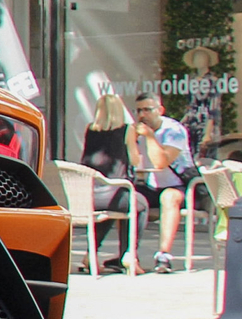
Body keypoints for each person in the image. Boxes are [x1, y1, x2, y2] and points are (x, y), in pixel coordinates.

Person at [129, 93, 191, 272]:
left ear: (160, 110)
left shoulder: (174, 130)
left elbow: (161, 162)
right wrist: (131, 139)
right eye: (139, 110)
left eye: (147, 110)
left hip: (178, 185)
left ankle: (164, 255)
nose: (142, 115)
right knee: (129, 197)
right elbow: (133, 161)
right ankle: (129, 254)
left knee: (168, 197)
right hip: (151, 185)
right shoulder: (138, 131)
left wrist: (149, 137)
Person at [80, 92, 136, 272]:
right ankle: (129, 254)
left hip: (90, 194)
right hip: (114, 192)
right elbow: (135, 160)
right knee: (138, 205)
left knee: (110, 211)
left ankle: (91, 254)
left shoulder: (90, 130)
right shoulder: (127, 130)